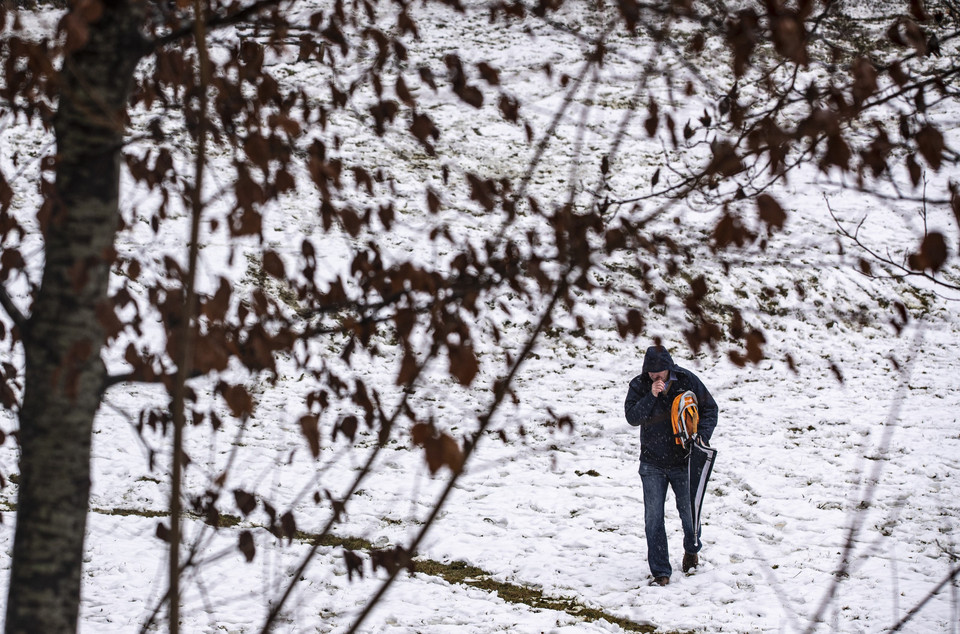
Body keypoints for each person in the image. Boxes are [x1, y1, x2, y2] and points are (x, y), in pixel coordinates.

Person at [624, 344, 718, 586]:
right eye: (652, 373)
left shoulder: (687, 380)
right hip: (651, 463)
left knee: (689, 514)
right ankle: (661, 572)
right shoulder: (639, 385)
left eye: (660, 373)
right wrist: (651, 395)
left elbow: (710, 409)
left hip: (683, 461)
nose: (656, 377)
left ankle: (691, 548)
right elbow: (632, 417)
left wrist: (702, 436)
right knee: (653, 519)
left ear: (669, 368)